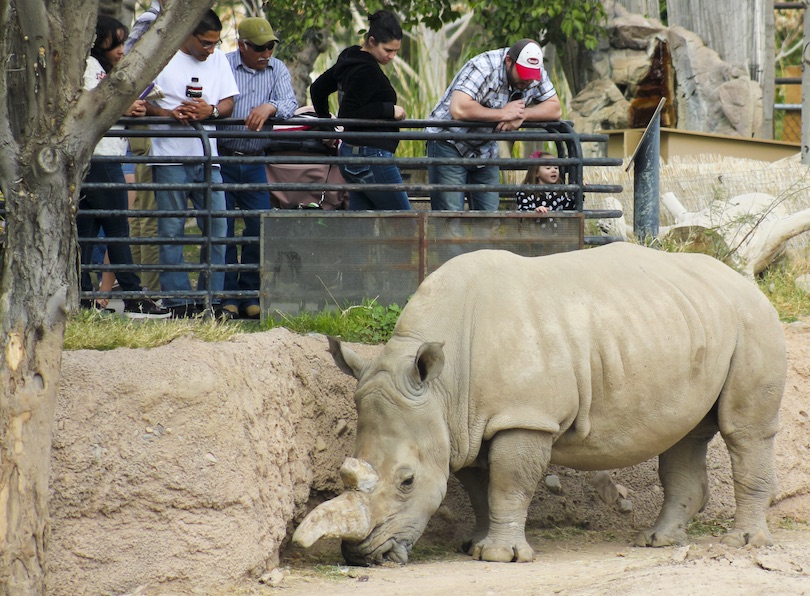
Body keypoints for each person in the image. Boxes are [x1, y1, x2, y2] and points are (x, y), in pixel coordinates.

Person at [145, 9, 239, 319]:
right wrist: (168, 114)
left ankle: (210, 298)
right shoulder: (161, 57)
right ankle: (178, 300)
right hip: (170, 154)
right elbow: (139, 100)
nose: (210, 49)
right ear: (187, 35)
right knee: (171, 229)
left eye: (216, 43)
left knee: (218, 227)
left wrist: (208, 112)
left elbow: (228, 103)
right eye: (205, 43)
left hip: (207, 156)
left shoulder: (218, 59)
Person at [79, 14, 170, 319]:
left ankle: (82, 297)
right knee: (118, 227)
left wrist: (132, 108)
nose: (121, 49)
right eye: (114, 43)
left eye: (122, 42)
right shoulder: (92, 68)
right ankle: (133, 298)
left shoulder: (101, 69)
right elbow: (93, 105)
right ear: (98, 44)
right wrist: (124, 106)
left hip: (97, 157)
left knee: (87, 230)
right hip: (102, 158)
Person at [218, 17, 298, 319]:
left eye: (271, 46)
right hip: (223, 157)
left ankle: (251, 293)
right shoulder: (223, 64)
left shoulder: (277, 69)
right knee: (222, 228)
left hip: (254, 160)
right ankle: (227, 295)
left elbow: (290, 101)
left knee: (257, 228)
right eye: (260, 48)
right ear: (242, 46)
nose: (267, 53)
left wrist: (271, 106)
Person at [426, 39, 562, 211]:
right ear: (508, 61)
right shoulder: (483, 67)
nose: (528, 81)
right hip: (449, 141)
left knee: (490, 217)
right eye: (523, 74)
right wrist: (503, 114)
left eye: (531, 76)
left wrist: (522, 114)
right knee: (451, 215)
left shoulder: (535, 71)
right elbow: (459, 108)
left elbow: (555, 108)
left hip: (485, 148)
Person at [310, 10, 410, 211]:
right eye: (388, 50)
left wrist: (325, 127)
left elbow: (317, 88)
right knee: (406, 222)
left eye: (396, 51)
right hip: (371, 156)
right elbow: (348, 116)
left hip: (352, 155)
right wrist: (388, 110)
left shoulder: (350, 60)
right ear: (371, 41)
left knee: (363, 226)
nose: (392, 56)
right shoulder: (367, 69)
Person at [124, 0, 165, 292]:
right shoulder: (153, 21)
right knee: (149, 208)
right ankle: (151, 286)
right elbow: (130, 68)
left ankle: (141, 281)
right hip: (148, 118)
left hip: (153, 118)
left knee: (143, 207)